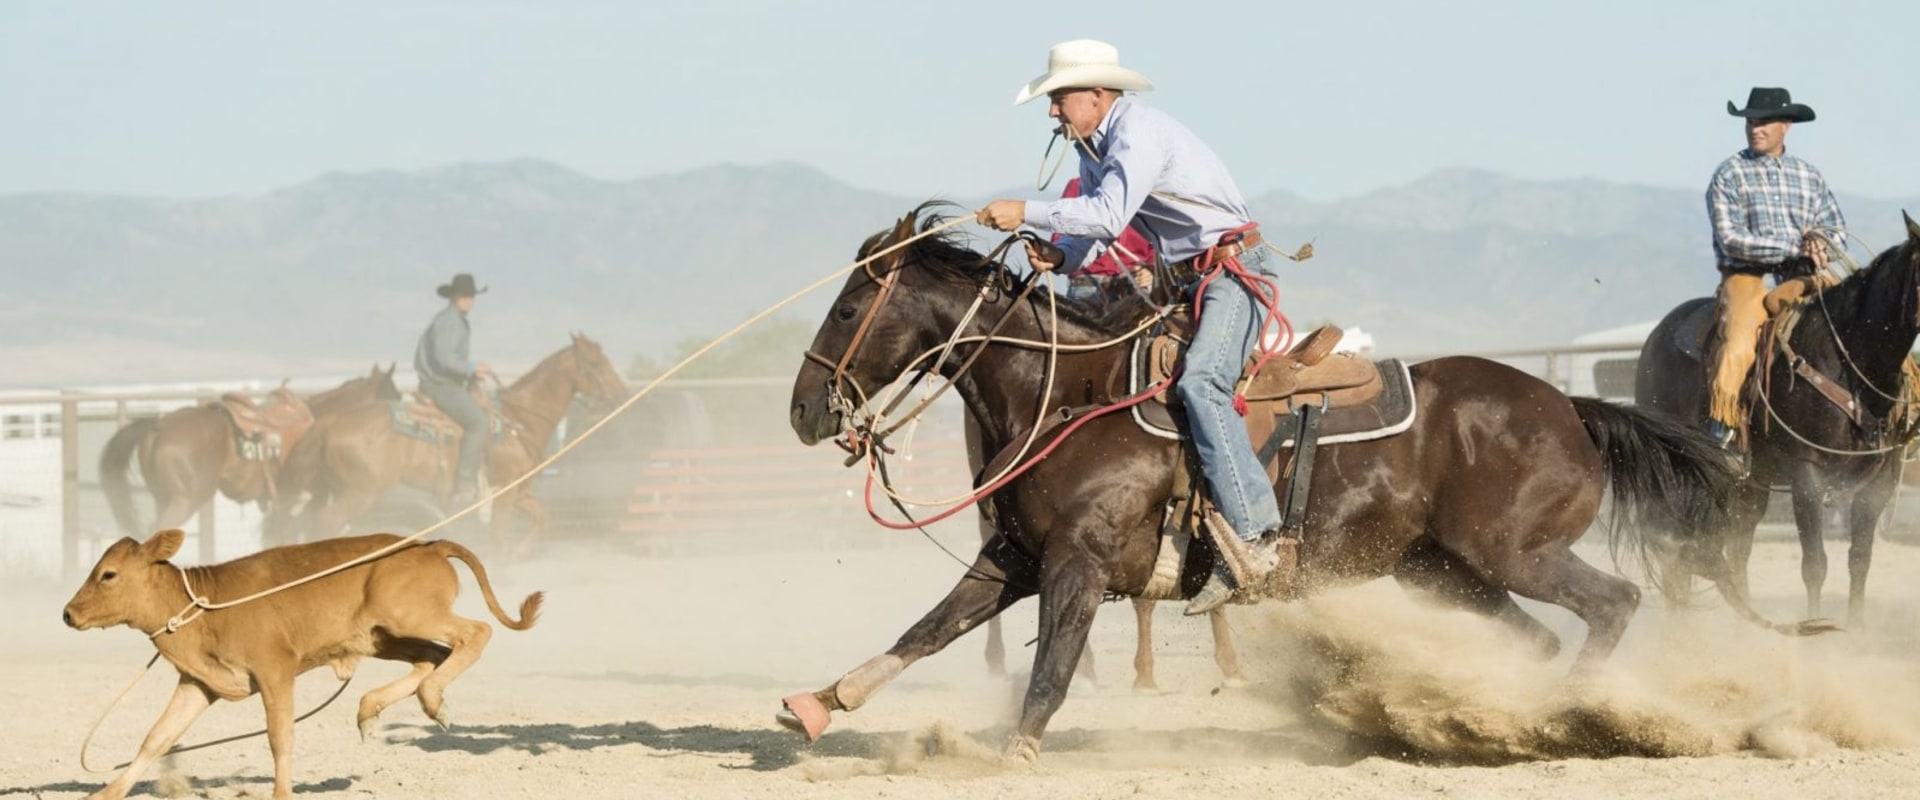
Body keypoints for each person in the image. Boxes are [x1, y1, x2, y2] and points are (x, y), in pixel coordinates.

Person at [975, 39, 1283, 615]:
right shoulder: (1097, 144)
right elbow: (1095, 220)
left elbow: (1110, 214)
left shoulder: (1137, 134)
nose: (1051, 112)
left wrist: (1027, 210)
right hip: (1191, 282)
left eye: (1058, 98)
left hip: (1233, 274)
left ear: (1096, 94)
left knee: (1201, 384)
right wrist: (1063, 257)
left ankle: (1259, 538)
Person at [1705, 87, 1845, 457]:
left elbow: (1835, 229)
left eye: (1764, 121)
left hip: (1804, 275)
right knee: (1738, 340)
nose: (1756, 128)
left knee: (1857, 317)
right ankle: (1723, 427)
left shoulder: (1808, 176)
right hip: (1749, 277)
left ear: (1786, 125)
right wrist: (1791, 248)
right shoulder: (1730, 174)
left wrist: (1822, 242)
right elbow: (1731, 238)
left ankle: (1892, 411)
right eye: (1751, 121)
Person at [414, 272, 494, 505]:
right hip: (440, 385)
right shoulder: (450, 321)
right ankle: (465, 484)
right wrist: (472, 368)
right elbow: (444, 359)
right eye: (465, 296)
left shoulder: (454, 319)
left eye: (472, 296)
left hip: (444, 382)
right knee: (478, 422)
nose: (470, 300)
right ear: (455, 297)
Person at [1057, 177, 1156, 308]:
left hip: (1135, 286)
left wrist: (1151, 270)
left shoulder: (1148, 191)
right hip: (1087, 283)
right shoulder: (1078, 186)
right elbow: (1059, 239)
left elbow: (1160, 244)